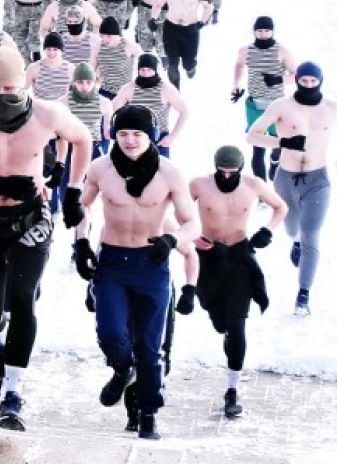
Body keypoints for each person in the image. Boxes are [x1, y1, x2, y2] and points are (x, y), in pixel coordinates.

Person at [0, 46, 91, 431]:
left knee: (24, 297)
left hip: (30, 218)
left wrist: (73, 190)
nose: (2, 96)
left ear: (23, 83)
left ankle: (13, 394)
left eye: (9, 88)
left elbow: (83, 138)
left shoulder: (46, 113)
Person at [72, 105, 199, 440]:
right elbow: (82, 205)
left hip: (150, 264)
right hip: (113, 261)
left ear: (151, 136)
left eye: (137, 134)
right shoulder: (101, 167)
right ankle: (121, 369)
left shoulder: (169, 173)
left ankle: (148, 415)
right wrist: (81, 242)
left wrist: (172, 240)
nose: (130, 140)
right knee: (111, 333)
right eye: (123, 133)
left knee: (149, 346)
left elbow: (192, 224)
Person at [188, 145, 286, 418]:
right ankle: (226, 332)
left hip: (240, 256)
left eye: (232, 172)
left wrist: (267, 231)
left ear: (241, 169)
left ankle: (232, 390)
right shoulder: (199, 184)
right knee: (220, 322)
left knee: (237, 325)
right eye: (222, 172)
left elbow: (281, 207)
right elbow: (175, 209)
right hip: (209, 256)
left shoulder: (254, 185)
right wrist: (192, 236)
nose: (227, 176)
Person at [246, 62, 334, 316]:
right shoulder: (282, 106)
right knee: (292, 228)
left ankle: (303, 293)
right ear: (297, 81)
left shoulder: (330, 108)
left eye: (313, 81)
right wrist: (282, 142)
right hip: (286, 177)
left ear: (320, 81)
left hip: (318, 179)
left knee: (311, 234)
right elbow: (252, 136)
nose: (309, 85)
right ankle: (295, 242)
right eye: (304, 81)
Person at [232, 16, 295, 179]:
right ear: (254, 31)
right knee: (258, 148)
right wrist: (236, 84)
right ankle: (261, 188)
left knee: (277, 143)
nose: (263, 34)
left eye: (267, 30)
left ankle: (274, 161)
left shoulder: (282, 51)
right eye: (260, 31)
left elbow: (296, 75)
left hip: (277, 105)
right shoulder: (246, 51)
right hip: (255, 104)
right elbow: (239, 65)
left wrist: (278, 79)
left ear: (272, 31)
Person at [111, 54, 188, 157]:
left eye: (149, 70)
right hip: (134, 140)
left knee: (161, 167)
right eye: (142, 70)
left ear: (155, 70)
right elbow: (112, 109)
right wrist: (117, 131)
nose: (146, 73)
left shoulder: (166, 89)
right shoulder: (129, 88)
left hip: (158, 139)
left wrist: (172, 137)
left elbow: (185, 112)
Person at [155, 0, 212, 86]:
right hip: (171, 28)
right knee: (172, 63)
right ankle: (176, 91)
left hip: (190, 29)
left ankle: (191, 67)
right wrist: (153, 18)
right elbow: (158, 4)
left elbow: (208, 7)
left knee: (188, 63)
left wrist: (201, 22)